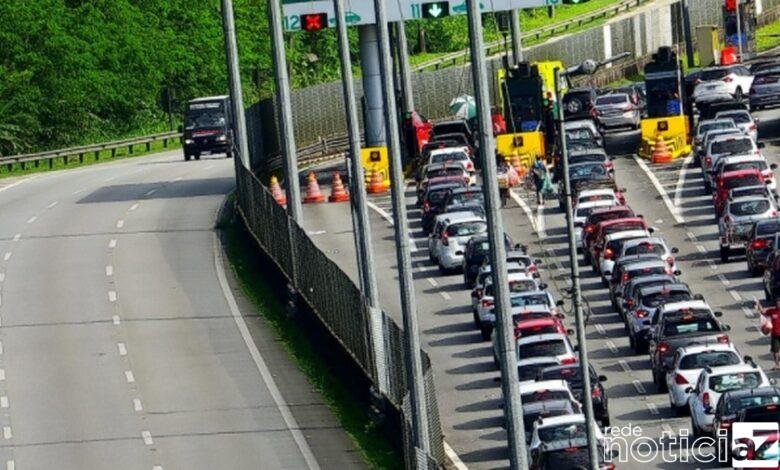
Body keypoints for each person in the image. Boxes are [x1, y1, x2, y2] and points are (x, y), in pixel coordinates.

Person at [755, 298, 780, 370]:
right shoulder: (772, 311)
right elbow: (763, 312)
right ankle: (777, 364)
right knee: (775, 351)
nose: (778, 304)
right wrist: (759, 305)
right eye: (777, 303)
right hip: (775, 334)